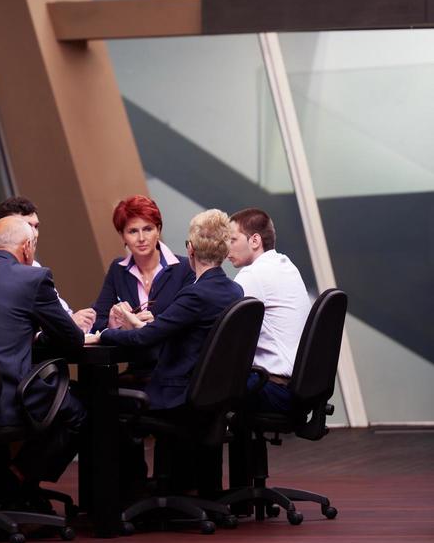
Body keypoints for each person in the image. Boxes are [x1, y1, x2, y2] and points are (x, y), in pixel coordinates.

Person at [87, 209, 243, 495]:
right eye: (133, 231)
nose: (141, 237)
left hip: (177, 393)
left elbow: (147, 337)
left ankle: (118, 496)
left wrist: (105, 334)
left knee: (101, 400)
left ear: (190, 249)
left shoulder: (195, 294)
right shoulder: (235, 292)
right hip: (213, 391)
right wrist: (135, 322)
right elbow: (165, 327)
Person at [0, 215, 86, 502]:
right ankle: (14, 479)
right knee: (78, 412)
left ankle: (12, 490)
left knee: (47, 402)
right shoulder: (33, 278)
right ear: (27, 247)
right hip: (9, 396)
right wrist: (40, 336)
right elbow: (72, 341)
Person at [228, 207, 311, 413]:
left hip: (274, 389)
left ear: (254, 241)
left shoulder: (253, 274)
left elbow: (220, 323)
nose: (226, 249)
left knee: (198, 385)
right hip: (299, 388)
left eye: (232, 240)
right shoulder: (287, 266)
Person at [92, 195, 194, 333]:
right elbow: (97, 321)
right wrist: (116, 326)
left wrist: (153, 326)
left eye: (147, 229)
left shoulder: (185, 268)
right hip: (129, 352)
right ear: (122, 235)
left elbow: (191, 322)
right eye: (133, 231)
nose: (141, 238)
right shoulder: (117, 269)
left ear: (158, 230)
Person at [0, 196, 96, 332]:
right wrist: (67, 324)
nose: (34, 234)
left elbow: (64, 315)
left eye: (36, 226)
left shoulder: (36, 269)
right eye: (25, 226)